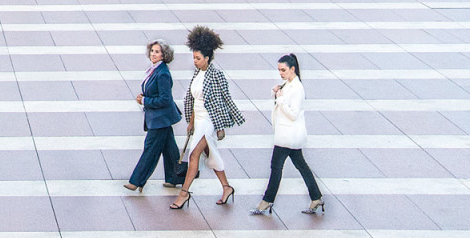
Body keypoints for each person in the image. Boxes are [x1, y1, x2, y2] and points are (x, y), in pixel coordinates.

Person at [170, 25, 244, 209]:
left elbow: (223, 99)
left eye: (198, 58)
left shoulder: (216, 75)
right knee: (210, 154)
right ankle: (226, 187)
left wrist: (221, 127)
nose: (195, 61)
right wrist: (192, 122)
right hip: (199, 120)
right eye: (194, 58)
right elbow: (196, 100)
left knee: (194, 154)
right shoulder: (198, 73)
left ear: (207, 58)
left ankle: (184, 193)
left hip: (210, 121)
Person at [250, 52, 324, 215]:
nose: (280, 73)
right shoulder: (288, 84)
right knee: (301, 166)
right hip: (289, 136)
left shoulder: (297, 88)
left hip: (287, 137)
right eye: (279, 70)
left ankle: (267, 201)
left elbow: (293, 114)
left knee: (276, 168)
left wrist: (280, 99)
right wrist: (276, 93)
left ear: (293, 69)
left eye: (283, 70)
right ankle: (316, 197)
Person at [123, 40, 182, 192]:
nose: (153, 54)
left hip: (160, 119)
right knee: (170, 150)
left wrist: (144, 100)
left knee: (150, 149)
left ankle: (136, 181)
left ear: (164, 55)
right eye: (152, 51)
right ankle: (176, 177)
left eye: (157, 52)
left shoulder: (162, 73)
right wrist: (145, 95)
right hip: (160, 118)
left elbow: (165, 99)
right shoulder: (154, 69)